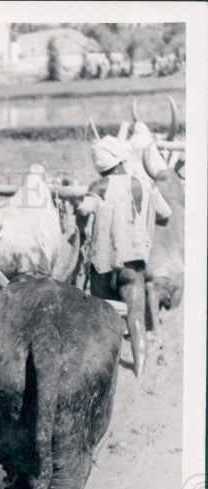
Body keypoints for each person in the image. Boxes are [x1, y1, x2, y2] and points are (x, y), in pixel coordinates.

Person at [76, 135, 171, 376]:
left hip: (102, 265)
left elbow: (83, 213)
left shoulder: (97, 187)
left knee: (103, 321)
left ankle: (104, 371)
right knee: (136, 318)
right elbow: (164, 214)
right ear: (120, 159)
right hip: (133, 265)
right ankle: (139, 371)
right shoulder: (143, 185)